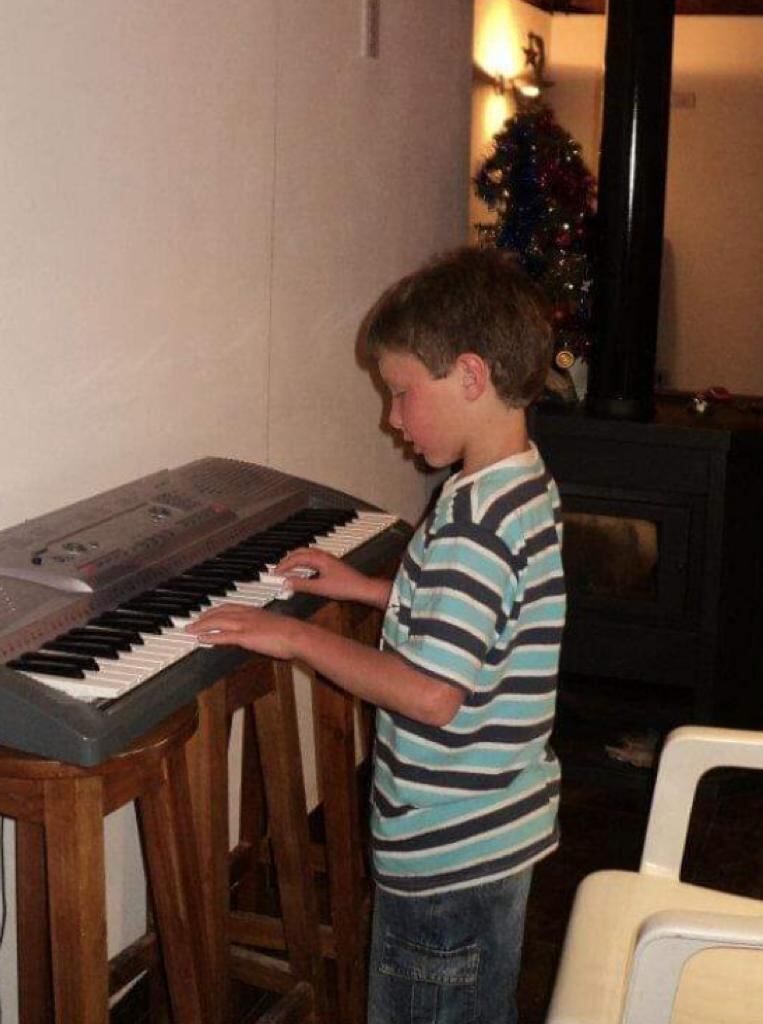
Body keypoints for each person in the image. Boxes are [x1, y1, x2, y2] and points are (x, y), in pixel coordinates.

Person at [186, 246, 566, 1024]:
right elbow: (473, 618)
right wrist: (364, 587)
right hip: (495, 835)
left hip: (446, 859)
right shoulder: (519, 485)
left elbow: (431, 693)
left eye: (400, 392)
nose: (390, 417)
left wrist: (293, 639)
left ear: (469, 376)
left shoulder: (472, 520)